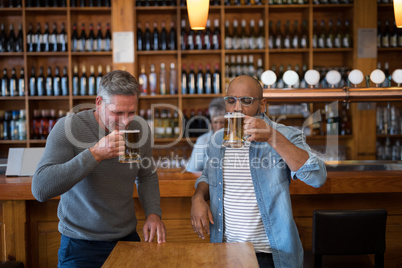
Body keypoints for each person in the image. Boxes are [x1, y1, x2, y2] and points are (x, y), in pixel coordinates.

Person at [32, 70, 166, 268]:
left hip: (127, 239)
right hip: (80, 244)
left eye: (131, 112)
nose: (126, 121)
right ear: (98, 103)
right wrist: (94, 154)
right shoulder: (69, 127)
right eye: (117, 113)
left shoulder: (140, 128)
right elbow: (41, 189)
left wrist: (153, 213)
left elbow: (146, 175)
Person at [190, 75, 327, 268]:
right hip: (225, 249)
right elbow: (207, 176)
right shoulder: (217, 140)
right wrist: (197, 197)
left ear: (262, 105)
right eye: (231, 101)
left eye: (246, 101)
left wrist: (272, 137)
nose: (237, 108)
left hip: (270, 255)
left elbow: (318, 177)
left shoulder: (284, 134)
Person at [186, 97, 226, 172]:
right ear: (211, 120)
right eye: (215, 122)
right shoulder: (203, 140)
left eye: (222, 122)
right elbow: (192, 170)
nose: (219, 126)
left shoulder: (236, 140)